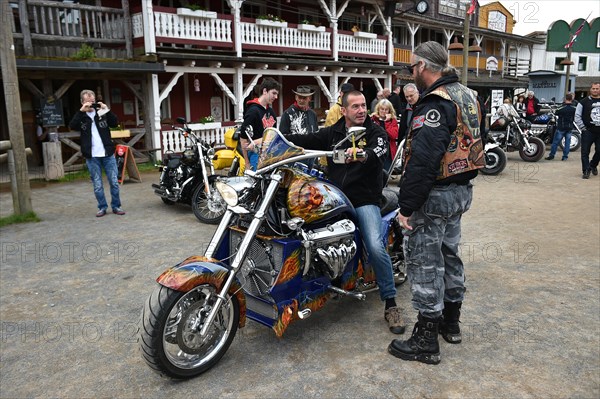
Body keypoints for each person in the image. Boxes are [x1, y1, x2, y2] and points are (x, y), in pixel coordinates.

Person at [388, 41, 484, 365]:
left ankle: (426, 339)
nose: (412, 74)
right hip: (461, 191)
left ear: (425, 67)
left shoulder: (435, 103)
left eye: (413, 68)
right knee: (450, 254)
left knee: (425, 262)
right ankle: (451, 322)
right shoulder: (468, 95)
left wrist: (406, 207)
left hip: (436, 196)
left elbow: (424, 161)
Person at [286, 90, 405, 335]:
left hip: (364, 199)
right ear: (344, 110)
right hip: (335, 198)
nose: (361, 110)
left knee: (374, 245)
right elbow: (308, 139)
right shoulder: (334, 133)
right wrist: (276, 139)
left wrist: (363, 154)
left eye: (363, 105)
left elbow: (379, 150)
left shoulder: (374, 132)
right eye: (355, 107)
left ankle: (391, 303)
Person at [69, 89, 125, 217]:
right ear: (82, 102)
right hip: (92, 155)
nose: (90, 104)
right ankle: (102, 207)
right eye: (87, 102)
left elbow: (114, 123)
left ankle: (116, 206)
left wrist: (106, 109)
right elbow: (72, 125)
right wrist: (81, 111)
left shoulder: (102, 112)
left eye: (92, 102)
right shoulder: (81, 116)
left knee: (114, 182)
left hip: (107, 154)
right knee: (97, 184)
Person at [240, 77, 280, 170]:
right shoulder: (253, 111)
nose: (276, 97)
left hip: (270, 154)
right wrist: (247, 163)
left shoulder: (271, 112)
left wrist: (257, 141)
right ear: (265, 91)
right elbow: (243, 138)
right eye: (274, 93)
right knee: (257, 182)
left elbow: (274, 135)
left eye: (277, 94)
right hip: (255, 154)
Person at [279, 85, 319, 169]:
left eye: (304, 98)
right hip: (294, 158)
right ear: (296, 97)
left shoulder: (313, 114)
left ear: (309, 98)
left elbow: (316, 135)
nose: (301, 100)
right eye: (299, 97)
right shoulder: (287, 113)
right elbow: (282, 138)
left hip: (311, 156)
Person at [575, 82, 600, 179]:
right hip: (588, 131)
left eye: (597, 88)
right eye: (593, 88)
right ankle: (586, 170)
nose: (595, 90)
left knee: (599, 150)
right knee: (585, 152)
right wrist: (583, 128)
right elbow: (577, 116)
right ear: (590, 89)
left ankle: (593, 165)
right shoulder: (583, 102)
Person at [546, 93, 576, 161]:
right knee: (567, 143)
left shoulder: (561, 108)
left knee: (555, 142)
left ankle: (552, 155)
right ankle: (565, 157)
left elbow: (555, 112)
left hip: (561, 127)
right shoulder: (574, 108)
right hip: (569, 127)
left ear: (565, 99)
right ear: (571, 99)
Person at [370, 98, 399, 172]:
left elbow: (393, 135)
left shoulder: (393, 120)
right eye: (382, 109)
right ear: (378, 109)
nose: (384, 111)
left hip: (388, 151)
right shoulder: (372, 119)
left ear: (389, 110)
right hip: (375, 149)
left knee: (386, 173)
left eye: (386, 109)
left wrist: (386, 122)